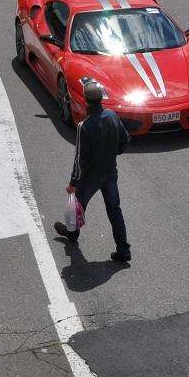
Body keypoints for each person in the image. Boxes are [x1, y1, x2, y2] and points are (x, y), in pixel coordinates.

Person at [52, 81, 132, 265]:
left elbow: (79, 158)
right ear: (101, 99)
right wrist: (113, 153)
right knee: (115, 210)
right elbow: (125, 139)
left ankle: (72, 233)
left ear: (86, 101)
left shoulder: (84, 126)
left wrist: (73, 182)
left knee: (78, 206)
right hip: (110, 172)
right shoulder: (112, 116)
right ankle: (124, 250)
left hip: (90, 177)